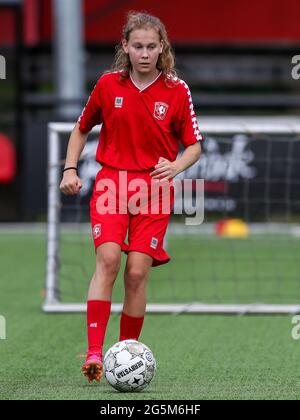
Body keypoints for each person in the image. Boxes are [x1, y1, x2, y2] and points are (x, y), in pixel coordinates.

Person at [59, 11, 203, 383]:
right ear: (125, 46)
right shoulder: (108, 85)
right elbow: (80, 129)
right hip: (111, 185)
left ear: (161, 48)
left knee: (137, 273)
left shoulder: (176, 90)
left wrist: (175, 166)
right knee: (108, 260)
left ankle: (126, 356)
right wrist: (70, 170)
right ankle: (94, 351)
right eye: (136, 46)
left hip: (154, 190)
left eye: (151, 47)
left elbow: (194, 147)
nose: (143, 53)